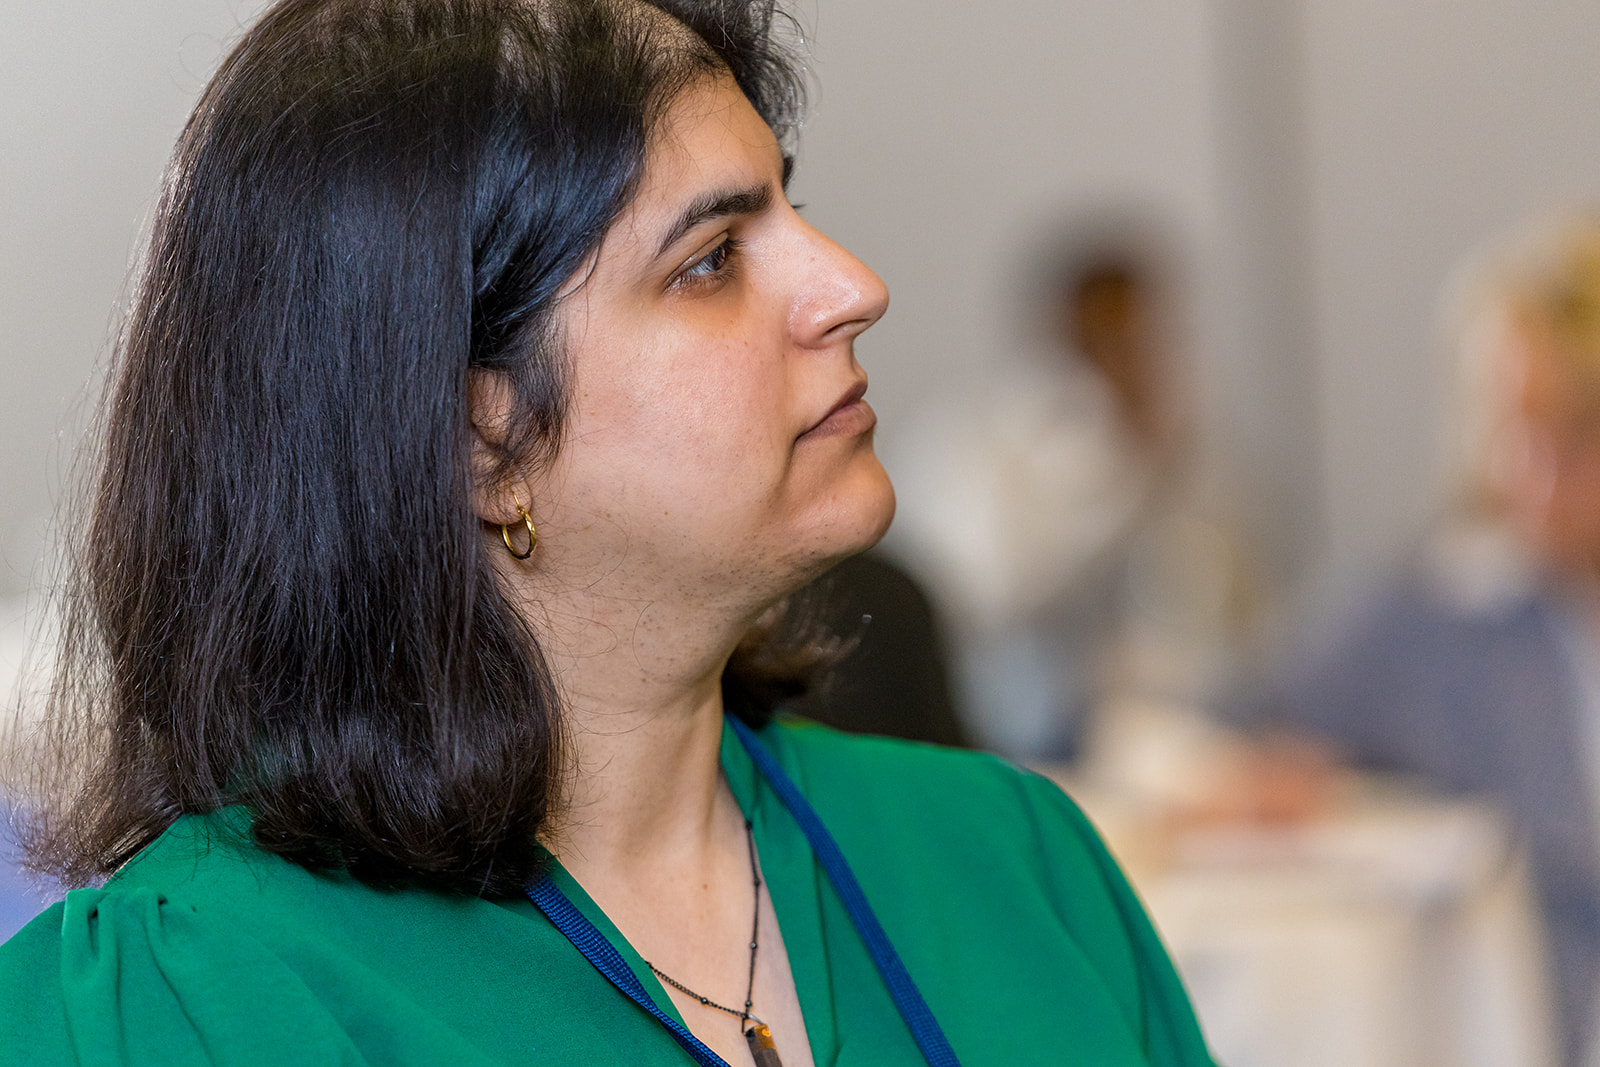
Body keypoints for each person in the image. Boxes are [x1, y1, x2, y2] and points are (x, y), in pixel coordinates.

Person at [0, 2, 1214, 1064]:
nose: (852, 285)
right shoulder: (183, 1002)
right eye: (711, 259)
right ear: (478, 438)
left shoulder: (1015, 865)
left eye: (793, 208)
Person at [1234, 213, 1600, 1066]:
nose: (1533, 476)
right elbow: (1216, 730)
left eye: (1574, 438)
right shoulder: (1435, 613)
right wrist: (1266, 785)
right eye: (1515, 431)